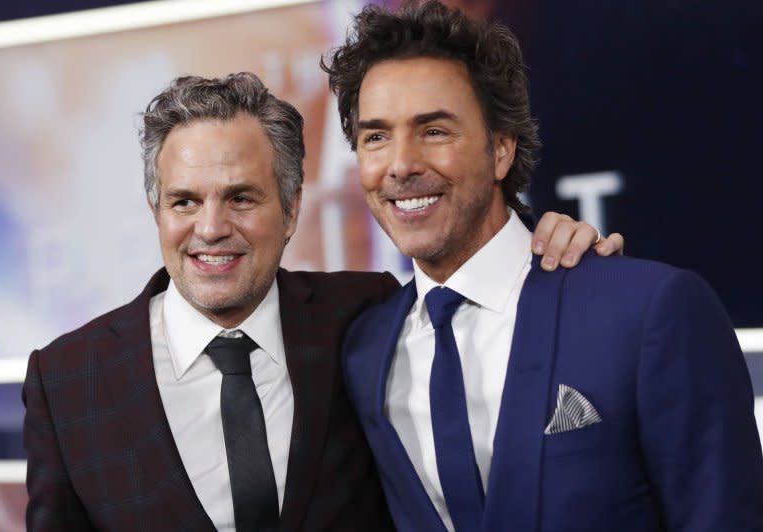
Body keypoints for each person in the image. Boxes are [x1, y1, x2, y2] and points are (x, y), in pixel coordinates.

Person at [22, 72, 616, 531]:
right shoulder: (69, 380)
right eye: (184, 202)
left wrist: (550, 247)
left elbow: (480, 285)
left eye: (242, 198)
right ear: (156, 213)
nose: (211, 228)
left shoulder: (366, 317)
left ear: (292, 210)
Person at [325, 2, 763, 531]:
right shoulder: (363, 350)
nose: (401, 164)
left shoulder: (650, 310)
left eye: (435, 131)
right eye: (376, 137)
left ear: (502, 150)